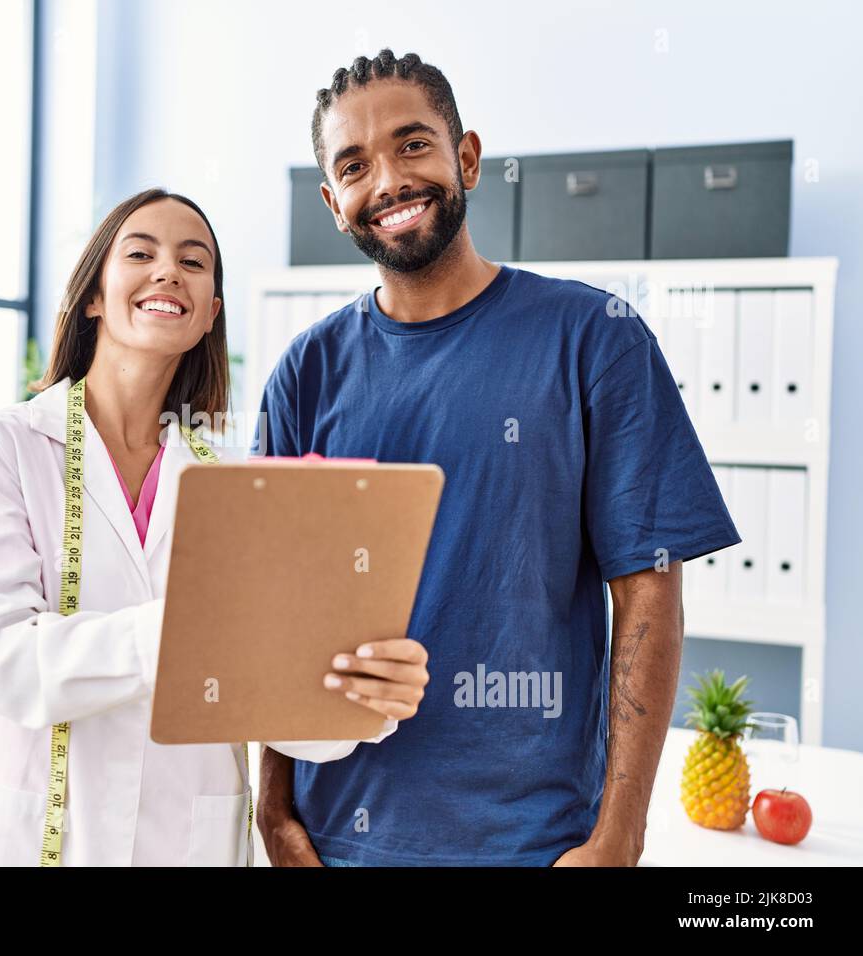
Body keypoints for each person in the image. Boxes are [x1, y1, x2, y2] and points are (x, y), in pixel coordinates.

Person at [254, 50, 740, 867]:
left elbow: (649, 596)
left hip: (535, 845)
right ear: (335, 204)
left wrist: (620, 835)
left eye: (413, 145)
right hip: (337, 841)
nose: (390, 181)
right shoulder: (305, 373)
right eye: (355, 165)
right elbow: (271, 616)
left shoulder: (595, 339)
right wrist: (274, 812)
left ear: (467, 157)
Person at [0, 187, 430, 866]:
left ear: (208, 312)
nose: (168, 272)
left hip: (181, 840)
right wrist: (179, 632)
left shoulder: (239, 480)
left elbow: (274, 700)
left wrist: (364, 700)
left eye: (194, 262)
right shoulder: (2, 446)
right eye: (141, 253)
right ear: (94, 295)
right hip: (22, 833)